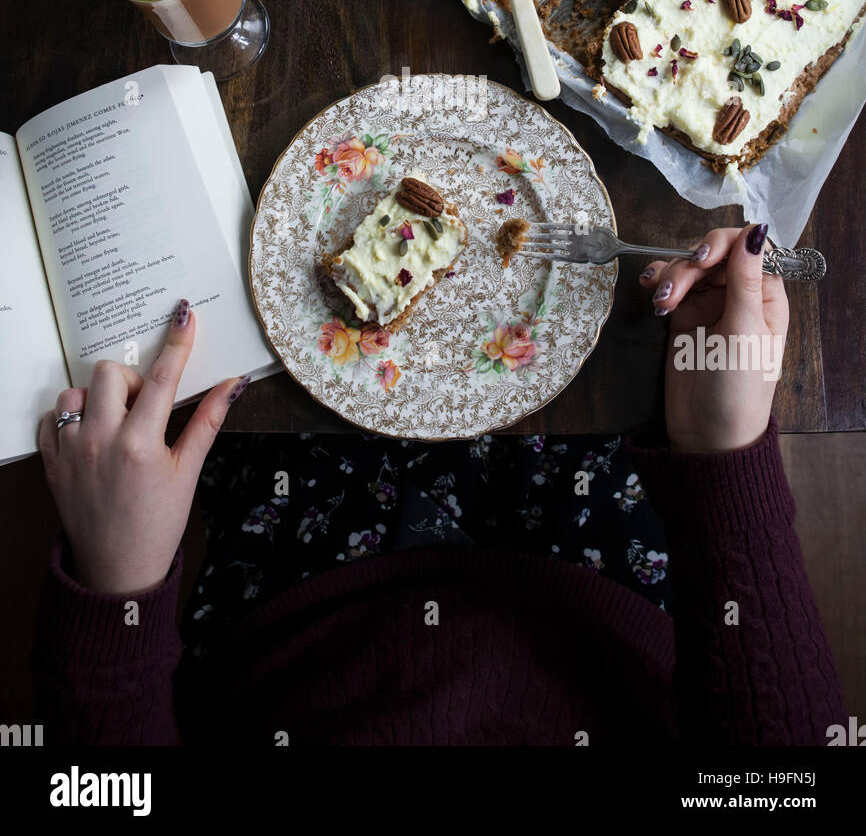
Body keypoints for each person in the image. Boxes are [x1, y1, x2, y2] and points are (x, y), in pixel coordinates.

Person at [32, 223, 846, 746]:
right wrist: (724, 453)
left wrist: (119, 589)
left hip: (295, 598)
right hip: (606, 583)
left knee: (258, 311)